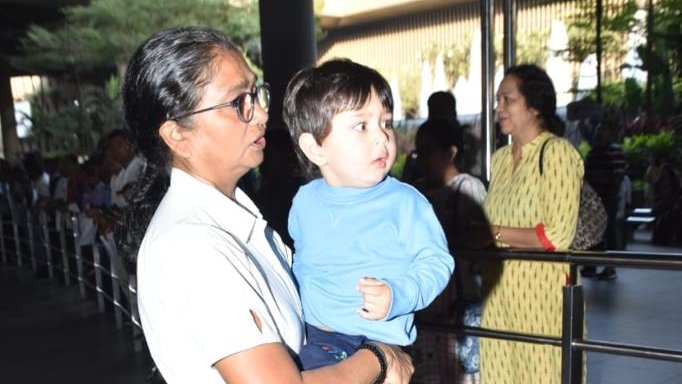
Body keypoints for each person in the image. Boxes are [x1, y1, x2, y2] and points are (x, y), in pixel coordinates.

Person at [118, 26, 413, 384]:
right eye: (238, 102)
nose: (260, 114)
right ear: (178, 134)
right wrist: (379, 358)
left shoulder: (234, 217)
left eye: (256, 94)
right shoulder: (189, 245)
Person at [283, 58, 454, 370]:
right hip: (314, 335)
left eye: (385, 123)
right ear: (315, 148)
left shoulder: (405, 202)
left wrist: (398, 295)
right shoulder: (305, 202)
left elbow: (437, 262)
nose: (382, 137)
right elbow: (302, 265)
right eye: (361, 126)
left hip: (378, 339)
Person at [482, 64, 584, 383]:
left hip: (541, 300)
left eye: (507, 99)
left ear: (535, 106)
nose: (498, 108)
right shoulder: (499, 159)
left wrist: (493, 233)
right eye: (498, 100)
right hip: (498, 296)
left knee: (542, 375)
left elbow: (556, 235)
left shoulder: (557, 154)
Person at [411, 118, 491, 383]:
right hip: (427, 309)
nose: (421, 159)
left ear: (451, 152)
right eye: (418, 152)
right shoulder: (417, 191)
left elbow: (479, 241)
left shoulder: (468, 188)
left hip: (457, 306)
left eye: (427, 151)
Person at [582, 118, 628, 280]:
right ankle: (591, 265)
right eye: (598, 130)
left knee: (608, 233)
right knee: (592, 233)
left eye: (603, 130)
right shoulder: (593, 153)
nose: (599, 133)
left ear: (611, 134)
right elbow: (585, 175)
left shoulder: (615, 152)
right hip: (592, 201)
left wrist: (608, 198)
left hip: (607, 200)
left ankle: (610, 267)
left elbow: (617, 178)